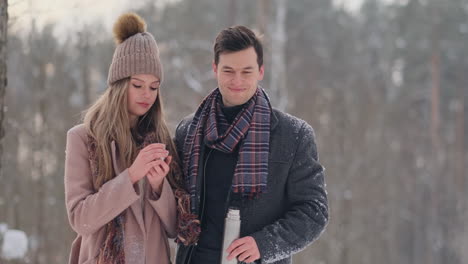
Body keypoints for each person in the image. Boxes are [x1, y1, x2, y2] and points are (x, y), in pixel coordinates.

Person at [174, 25, 328, 264]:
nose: (237, 80)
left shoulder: (293, 135)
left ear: (261, 71)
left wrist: (264, 244)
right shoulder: (189, 131)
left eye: (247, 71)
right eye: (228, 71)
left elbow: (314, 211)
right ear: (215, 69)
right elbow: (173, 203)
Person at [64, 13, 180, 264]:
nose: (146, 94)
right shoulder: (83, 139)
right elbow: (81, 219)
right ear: (118, 84)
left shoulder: (161, 141)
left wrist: (160, 187)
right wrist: (131, 176)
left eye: (154, 86)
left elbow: (175, 229)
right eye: (137, 85)